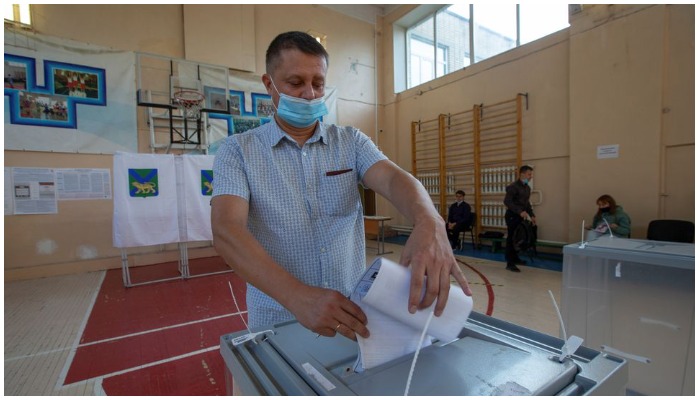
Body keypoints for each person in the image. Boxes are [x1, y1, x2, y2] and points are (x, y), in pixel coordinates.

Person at [211, 31, 471, 341]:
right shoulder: (237, 151)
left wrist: (429, 218)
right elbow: (227, 230)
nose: (309, 94)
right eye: (295, 83)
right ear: (269, 84)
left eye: (318, 83)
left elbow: (392, 178)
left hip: (349, 317)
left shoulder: (350, 142)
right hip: (277, 319)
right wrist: (297, 296)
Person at [503, 165, 536, 272]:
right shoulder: (513, 187)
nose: (531, 176)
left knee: (518, 239)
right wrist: (519, 211)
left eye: (531, 174)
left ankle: (515, 258)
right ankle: (510, 263)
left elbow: (527, 204)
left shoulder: (527, 188)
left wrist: (532, 215)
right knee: (511, 239)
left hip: (521, 217)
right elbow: (507, 201)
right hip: (512, 216)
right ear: (522, 174)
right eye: (529, 174)